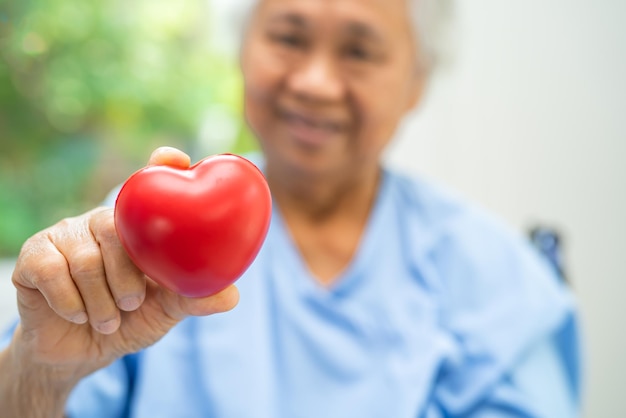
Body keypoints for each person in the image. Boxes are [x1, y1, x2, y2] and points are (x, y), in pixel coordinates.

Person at [0, 0, 581, 417]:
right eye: (288, 37)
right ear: (243, 50)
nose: (316, 82)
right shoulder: (132, 244)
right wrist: (41, 372)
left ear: (416, 82)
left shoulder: (499, 280)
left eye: (359, 50)